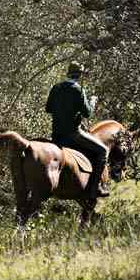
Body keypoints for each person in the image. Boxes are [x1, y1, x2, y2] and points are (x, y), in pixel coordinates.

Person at [45, 61, 109, 198]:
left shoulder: (55, 88)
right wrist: (92, 101)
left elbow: (48, 109)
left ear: (68, 73)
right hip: (73, 135)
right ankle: (94, 188)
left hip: (56, 135)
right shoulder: (79, 90)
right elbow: (87, 113)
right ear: (79, 75)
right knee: (103, 151)